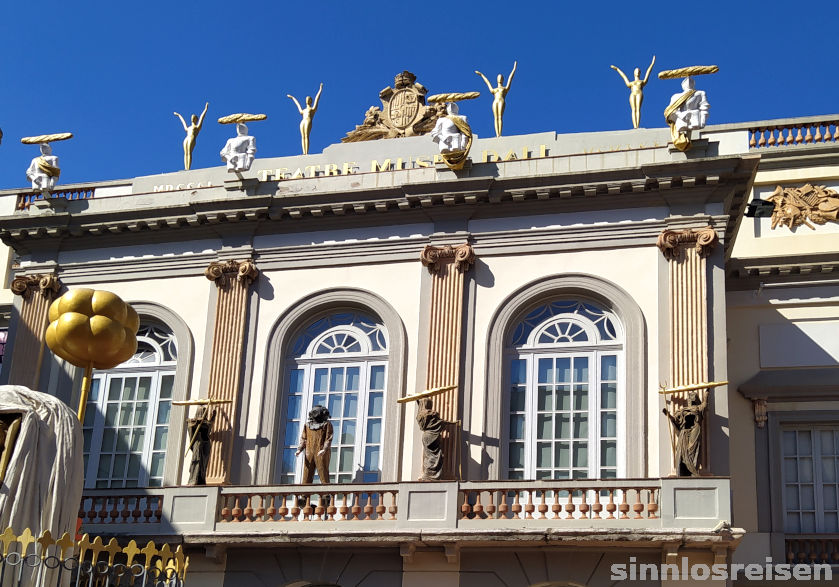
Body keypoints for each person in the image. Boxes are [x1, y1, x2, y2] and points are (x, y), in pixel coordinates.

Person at [662, 391, 707, 476]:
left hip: (694, 432)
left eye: (693, 398)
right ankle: (684, 472)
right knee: (682, 453)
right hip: (684, 434)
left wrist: (707, 392)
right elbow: (676, 422)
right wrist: (668, 415)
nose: (691, 400)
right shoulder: (682, 411)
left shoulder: (699, 408)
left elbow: (705, 404)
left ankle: (693, 471)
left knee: (692, 451)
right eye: (689, 398)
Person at [664, 77, 710, 150]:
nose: (688, 82)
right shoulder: (676, 96)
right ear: (682, 85)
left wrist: (702, 121)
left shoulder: (700, 93)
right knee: (682, 131)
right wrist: (680, 115)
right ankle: (684, 140)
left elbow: (704, 107)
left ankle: (687, 141)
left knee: (689, 132)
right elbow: (671, 110)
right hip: (681, 120)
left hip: (695, 119)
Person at [610, 55, 656, 129]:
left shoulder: (642, 81)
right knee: (633, 109)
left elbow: (648, 71)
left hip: (639, 93)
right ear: (634, 73)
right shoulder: (630, 83)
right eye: (636, 71)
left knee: (638, 109)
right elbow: (624, 76)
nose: (637, 72)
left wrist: (652, 63)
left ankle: (637, 125)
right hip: (632, 94)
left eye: (639, 71)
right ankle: (635, 126)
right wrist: (617, 69)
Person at [475, 61, 517, 137]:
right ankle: (497, 134)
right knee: (495, 118)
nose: (499, 78)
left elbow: (510, 77)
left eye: (501, 77)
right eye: (498, 77)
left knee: (500, 117)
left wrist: (514, 68)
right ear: (497, 79)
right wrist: (481, 74)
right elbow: (487, 82)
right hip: (495, 101)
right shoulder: (494, 90)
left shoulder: (505, 88)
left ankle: (500, 134)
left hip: (501, 101)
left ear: (503, 79)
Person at [296, 405, 333, 484]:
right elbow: (304, 438)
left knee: (323, 471)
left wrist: (324, 449)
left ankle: (326, 491)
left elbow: (328, 438)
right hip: (309, 452)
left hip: (321, 451)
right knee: (307, 473)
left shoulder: (326, 424)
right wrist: (299, 449)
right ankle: (304, 491)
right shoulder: (307, 425)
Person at [288, 83, 323, 155]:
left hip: (308, 120)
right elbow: (298, 105)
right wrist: (292, 98)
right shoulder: (303, 110)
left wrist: (320, 89)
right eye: (306, 99)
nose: (307, 100)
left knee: (307, 135)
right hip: (303, 121)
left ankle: (306, 152)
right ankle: (304, 152)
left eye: (308, 99)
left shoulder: (312, 109)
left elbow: (317, 98)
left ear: (310, 101)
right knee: (303, 136)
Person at [174, 102, 209, 170]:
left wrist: (205, 109)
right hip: (187, 138)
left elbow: (202, 117)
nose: (192, 117)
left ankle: (188, 168)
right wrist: (179, 115)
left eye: (193, 117)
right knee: (185, 153)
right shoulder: (188, 128)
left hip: (192, 137)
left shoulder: (197, 127)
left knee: (189, 152)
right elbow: (183, 122)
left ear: (196, 119)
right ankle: (185, 168)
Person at [187, 406, 216, 486]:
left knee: (204, 463)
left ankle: (201, 479)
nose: (204, 414)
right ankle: (193, 479)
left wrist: (213, 416)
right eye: (203, 412)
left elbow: (209, 425)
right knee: (196, 460)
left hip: (205, 444)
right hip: (198, 445)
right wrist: (195, 422)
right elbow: (190, 426)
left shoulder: (206, 423)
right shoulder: (194, 422)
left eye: (205, 412)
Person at [416, 398, 443, 481]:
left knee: (428, 455)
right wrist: (453, 423)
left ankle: (427, 474)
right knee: (435, 456)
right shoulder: (433, 414)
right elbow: (440, 423)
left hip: (425, 436)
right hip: (433, 436)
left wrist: (419, 403)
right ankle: (432, 475)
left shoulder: (420, 415)